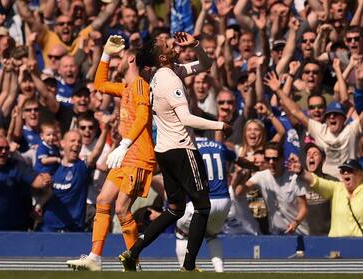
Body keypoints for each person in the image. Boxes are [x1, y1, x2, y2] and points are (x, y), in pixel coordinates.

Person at [118, 32, 232, 272]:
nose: (172, 41)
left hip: (165, 151)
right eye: (166, 43)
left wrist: (196, 46)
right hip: (182, 149)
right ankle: (189, 266)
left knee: (175, 209)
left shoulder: (167, 73)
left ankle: (133, 252)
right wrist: (220, 125)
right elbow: (186, 118)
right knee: (203, 206)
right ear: (161, 56)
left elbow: (205, 65)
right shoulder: (170, 79)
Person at [66, 35, 155, 271]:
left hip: (139, 157)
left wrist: (124, 144)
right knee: (103, 200)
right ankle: (95, 257)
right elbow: (100, 85)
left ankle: (133, 261)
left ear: (132, 59)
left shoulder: (140, 86)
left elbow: (144, 117)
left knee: (121, 209)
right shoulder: (127, 86)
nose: (118, 61)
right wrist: (104, 54)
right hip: (125, 157)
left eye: (121, 58)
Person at [175, 134, 258, 272]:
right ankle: (220, 271)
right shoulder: (219, 146)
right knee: (211, 235)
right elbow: (239, 160)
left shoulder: (189, 147)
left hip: (204, 201)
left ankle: (184, 269)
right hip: (224, 201)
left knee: (181, 231)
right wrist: (254, 166)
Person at [244, 142, 309, 235]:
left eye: (275, 159)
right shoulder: (261, 176)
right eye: (267, 159)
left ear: (282, 159)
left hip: (299, 233)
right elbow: (240, 192)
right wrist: (246, 167)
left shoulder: (295, 178)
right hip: (276, 234)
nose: (271, 162)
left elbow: (304, 208)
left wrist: (296, 223)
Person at [288, 158, 363, 237]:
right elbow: (317, 182)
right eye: (342, 171)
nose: (346, 173)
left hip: (358, 245)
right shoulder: (337, 188)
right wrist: (301, 171)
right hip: (336, 244)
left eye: (350, 170)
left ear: (360, 174)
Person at [39, 130, 91, 232]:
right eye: (73, 141)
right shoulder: (52, 165)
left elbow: (94, 155)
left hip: (73, 228)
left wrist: (105, 130)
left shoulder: (81, 167)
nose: (76, 144)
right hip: (49, 227)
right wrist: (38, 206)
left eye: (79, 141)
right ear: (63, 143)